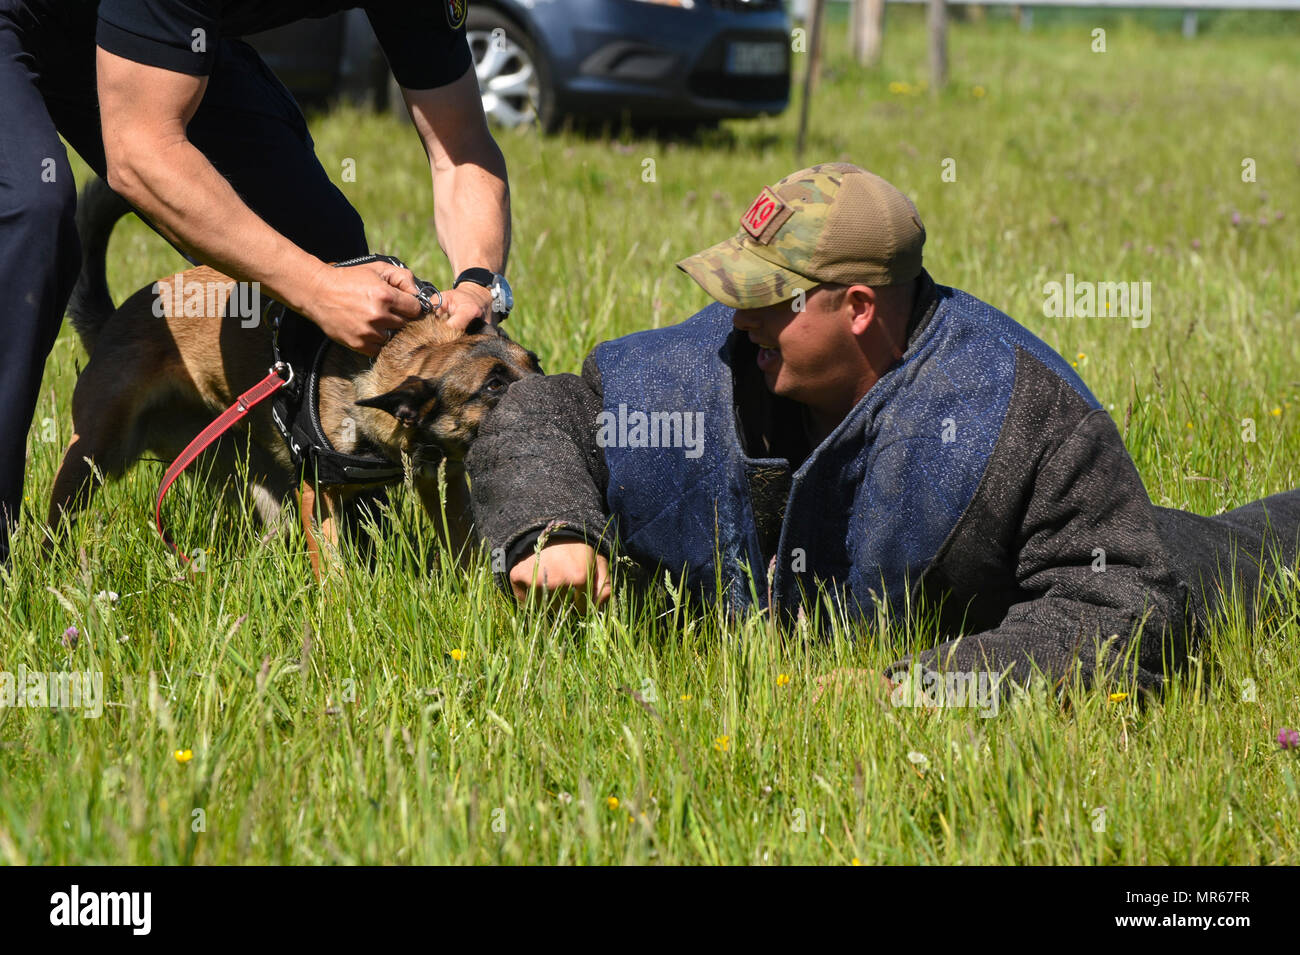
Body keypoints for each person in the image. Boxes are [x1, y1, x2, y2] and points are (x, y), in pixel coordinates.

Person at [467, 162, 1300, 694]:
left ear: (858, 309)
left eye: (768, 299)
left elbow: (1122, 600)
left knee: (1254, 556)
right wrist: (547, 528)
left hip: (1095, 561)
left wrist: (918, 686)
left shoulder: (1022, 416)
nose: (739, 317)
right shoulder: (705, 365)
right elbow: (548, 410)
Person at [0, 0, 514, 562]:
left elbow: (461, 147)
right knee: (30, 211)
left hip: (143, 32)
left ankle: (348, 520)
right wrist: (315, 289)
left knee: (323, 237)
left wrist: (477, 283)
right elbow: (141, 155)